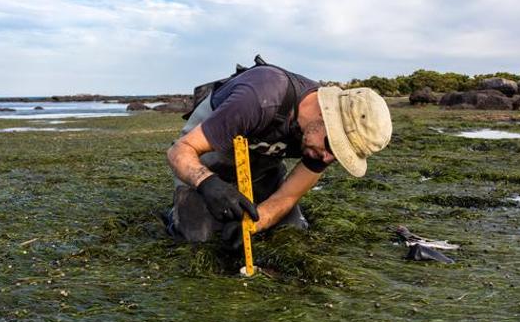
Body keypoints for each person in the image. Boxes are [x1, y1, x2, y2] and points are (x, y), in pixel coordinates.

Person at [165, 57, 392, 248]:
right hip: (204, 163)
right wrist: (207, 183)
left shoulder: (323, 147)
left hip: (261, 173)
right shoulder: (261, 97)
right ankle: (178, 210)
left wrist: (254, 225)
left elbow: (288, 196)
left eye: (340, 156)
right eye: (334, 148)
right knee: (198, 238)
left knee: (293, 233)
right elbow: (180, 150)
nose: (328, 159)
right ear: (326, 118)